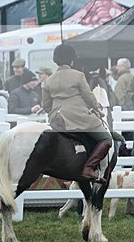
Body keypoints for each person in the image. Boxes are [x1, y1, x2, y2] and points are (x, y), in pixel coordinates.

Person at [41, 44, 111, 182]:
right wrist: (97, 108)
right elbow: (89, 96)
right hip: (78, 118)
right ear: (72, 60)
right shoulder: (78, 76)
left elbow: (46, 106)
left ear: (56, 60)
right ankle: (89, 168)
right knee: (106, 138)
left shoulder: (48, 80)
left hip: (57, 119)